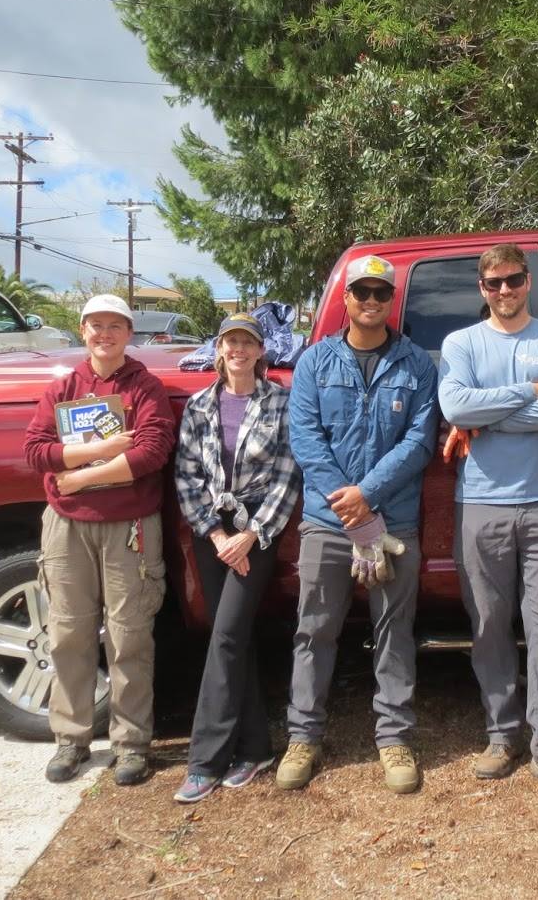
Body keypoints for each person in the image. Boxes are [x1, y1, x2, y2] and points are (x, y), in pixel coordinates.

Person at [439, 243, 538, 799]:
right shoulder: (461, 342)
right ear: (481, 289)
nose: (503, 291)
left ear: (527, 281)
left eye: (512, 280)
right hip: (480, 504)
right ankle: (501, 735)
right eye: (492, 283)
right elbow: (456, 409)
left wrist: (491, 411)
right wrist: (526, 393)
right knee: (488, 626)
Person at [279, 254, 438, 794]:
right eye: (362, 292)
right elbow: (304, 438)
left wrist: (367, 496)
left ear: (391, 301)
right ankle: (304, 735)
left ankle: (393, 737)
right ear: (345, 299)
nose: (371, 301)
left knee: (394, 632)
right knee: (315, 629)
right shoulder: (314, 364)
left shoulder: (417, 366)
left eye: (381, 294)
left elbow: (419, 442)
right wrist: (349, 506)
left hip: (393, 521)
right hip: (327, 523)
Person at [23, 293, 175, 786]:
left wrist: (80, 477)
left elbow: (153, 450)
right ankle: (71, 739)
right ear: (83, 330)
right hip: (66, 526)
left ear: (129, 333)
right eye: (96, 326)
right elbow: (35, 449)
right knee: (69, 633)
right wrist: (101, 448)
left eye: (115, 326)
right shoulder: (63, 388)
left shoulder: (144, 387)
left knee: (130, 635)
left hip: (128, 527)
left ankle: (131, 744)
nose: (105, 334)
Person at [171, 313, 301, 803]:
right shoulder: (199, 405)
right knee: (233, 637)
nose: (239, 350)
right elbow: (186, 474)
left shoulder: (279, 402)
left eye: (248, 342)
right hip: (214, 533)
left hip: (256, 534)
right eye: (231, 342)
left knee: (225, 636)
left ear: (260, 350)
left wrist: (251, 535)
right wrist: (217, 533)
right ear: (219, 349)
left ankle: (204, 760)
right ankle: (254, 749)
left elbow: (288, 473)